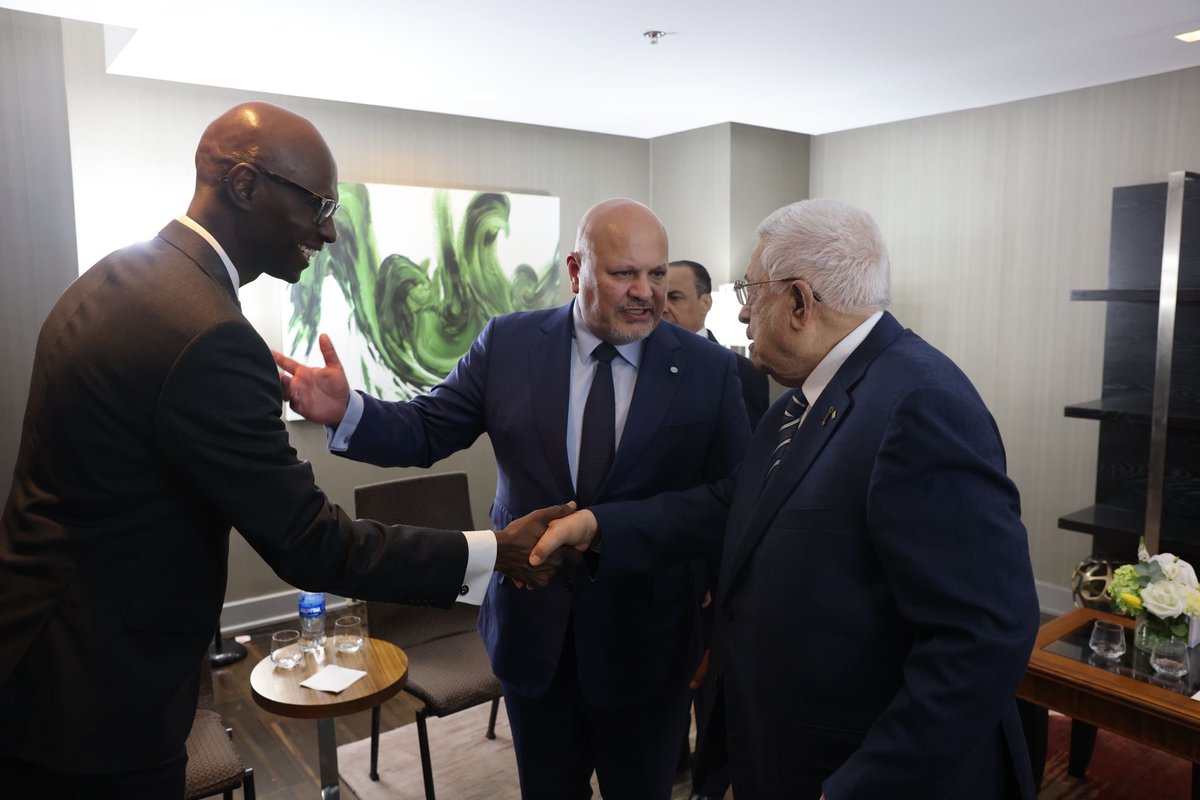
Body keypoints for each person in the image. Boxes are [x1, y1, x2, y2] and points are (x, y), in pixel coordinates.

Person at [0, 102, 568, 798]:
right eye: (320, 205)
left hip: (39, 652)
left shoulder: (120, 276)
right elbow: (311, 544)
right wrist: (495, 551)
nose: (329, 230)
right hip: (95, 696)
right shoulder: (208, 332)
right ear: (245, 185)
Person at [532, 198, 1041, 799]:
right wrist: (598, 527)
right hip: (785, 746)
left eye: (751, 290)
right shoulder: (797, 404)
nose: (743, 312)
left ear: (799, 302)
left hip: (859, 769)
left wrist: (861, 787)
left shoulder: (922, 406)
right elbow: (730, 506)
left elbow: (983, 636)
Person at [274, 197, 751, 799]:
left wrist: (609, 531)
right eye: (624, 273)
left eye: (656, 273)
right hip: (533, 636)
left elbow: (732, 499)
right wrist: (348, 411)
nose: (645, 292)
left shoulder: (708, 370)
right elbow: (428, 428)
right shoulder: (508, 343)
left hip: (647, 644)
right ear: (576, 270)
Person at [664, 259, 770, 429]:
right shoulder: (637, 358)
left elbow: (749, 442)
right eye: (658, 297)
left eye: (674, 298)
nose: (663, 308)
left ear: (705, 303)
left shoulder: (742, 371)